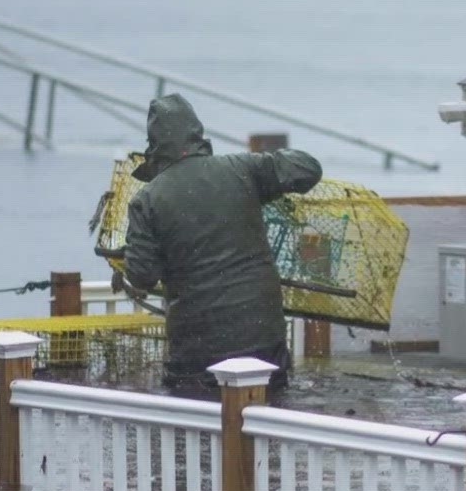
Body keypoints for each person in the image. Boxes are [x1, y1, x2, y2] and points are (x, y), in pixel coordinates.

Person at [120, 94, 321, 397]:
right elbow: (308, 169)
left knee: (195, 431)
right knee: (270, 419)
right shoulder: (243, 170)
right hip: (264, 340)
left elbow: (142, 275)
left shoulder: (147, 200)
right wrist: (266, 166)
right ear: (198, 135)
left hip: (199, 349)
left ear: (155, 149)